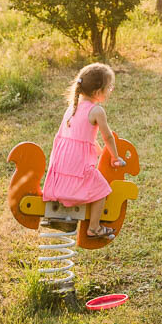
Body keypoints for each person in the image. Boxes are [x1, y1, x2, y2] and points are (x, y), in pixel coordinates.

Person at [42, 62, 127, 239]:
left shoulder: (72, 107)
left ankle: (58, 210)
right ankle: (94, 228)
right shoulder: (97, 111)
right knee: (102, 189)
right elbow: (108, 137)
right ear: (97, 92)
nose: (110, 90)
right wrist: (115, 157)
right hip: (77, 166)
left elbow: (82, 140)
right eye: (109, 87)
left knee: (93, 182)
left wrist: (100, 152)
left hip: (62, 164)